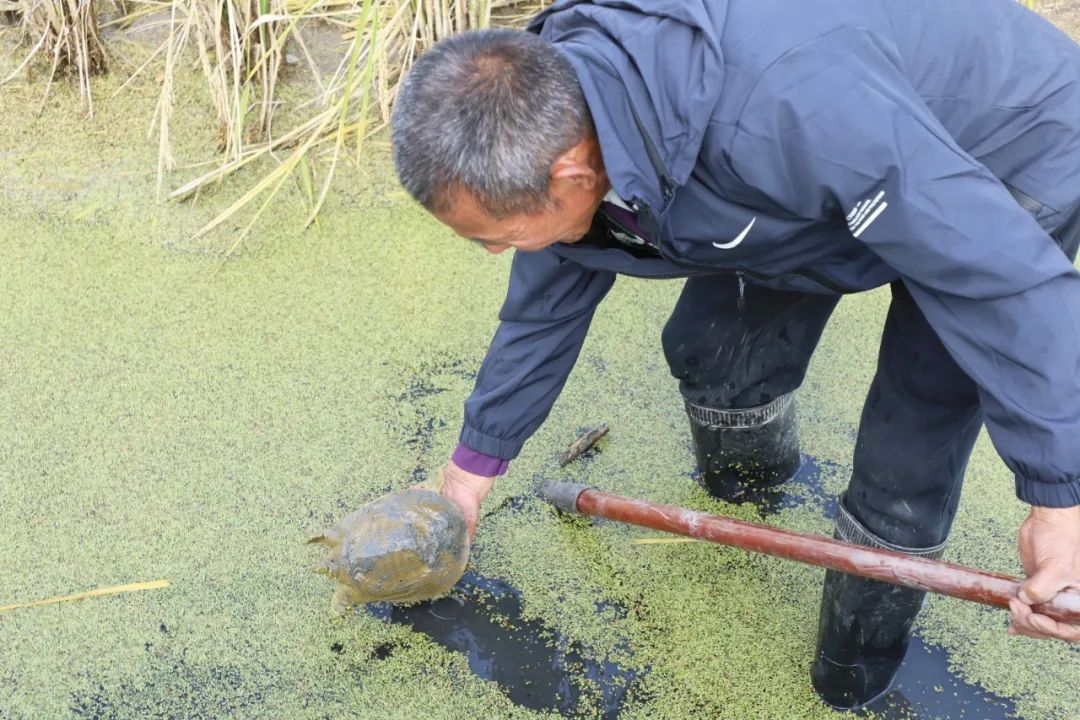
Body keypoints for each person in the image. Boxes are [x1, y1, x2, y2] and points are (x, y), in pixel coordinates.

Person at [390, 0, 1080, 709]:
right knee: (715, 354)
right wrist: (469, 473)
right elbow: (547, 297)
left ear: (571, 177)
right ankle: (752, 492)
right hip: (818, 165)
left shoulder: (791, 110)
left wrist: (1061, 503)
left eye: (496, 236)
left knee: (907, 453)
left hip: (1003, 146)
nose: (493, 252)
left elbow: (1004, 281)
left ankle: (852, 674)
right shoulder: (567, 106)